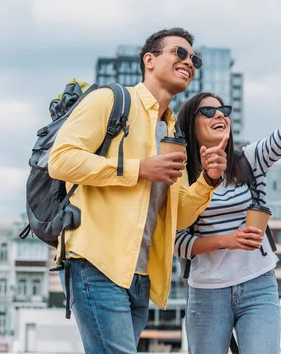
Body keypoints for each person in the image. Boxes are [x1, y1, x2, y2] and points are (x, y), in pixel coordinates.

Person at [48, 28, 227, 353]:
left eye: (194, 59)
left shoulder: (174, 134)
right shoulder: (110, 100)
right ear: (149, 60)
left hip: (139, 273)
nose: (190, 62)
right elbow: (60, 160)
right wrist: (139, 169)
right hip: (95, 260)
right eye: (180, 53)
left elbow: (178, 215)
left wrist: (208, 181)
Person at [174, 45, 281, 354]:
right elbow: (176, 242)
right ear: (191, 125)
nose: (219, 114)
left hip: (258, 284)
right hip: (207, 291)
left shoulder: (250, 159)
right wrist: (226, 240)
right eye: (208, 111)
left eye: (224, 110)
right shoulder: (180, 172)